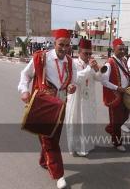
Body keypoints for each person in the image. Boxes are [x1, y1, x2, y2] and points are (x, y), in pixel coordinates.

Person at [18, 29, 77, 189]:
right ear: (54, 42)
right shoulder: (41, 57)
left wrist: (72, 86)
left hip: (60, 107)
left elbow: (74, 81)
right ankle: (58, 175)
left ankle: (44, 161)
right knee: (50, 141)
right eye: (61, 44)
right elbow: (25, 75)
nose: (64, 48)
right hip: (43, 107)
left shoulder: (71, 62)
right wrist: (24, 91)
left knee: (53, 138)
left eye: (67, 45)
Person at [65, 38, 102, 157]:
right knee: (76, 122)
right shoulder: (73, 63)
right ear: (79, 52)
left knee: (88, 121)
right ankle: (75, 147)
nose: (88, 55)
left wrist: (98, 70)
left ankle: (87, 146)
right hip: (77, 99)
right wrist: (89, 68)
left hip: (88, 99)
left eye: (90, 53)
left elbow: (99, 79)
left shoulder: (90, 64)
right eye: (86, 53)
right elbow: (77, 78)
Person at [101, 38, 130, 152]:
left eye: (124, 49)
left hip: (125, 95)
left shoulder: (123, 61)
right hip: (115, 96)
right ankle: (117, 143)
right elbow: (104, 81)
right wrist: (118, 88)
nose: (123, 51)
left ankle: (111, 128)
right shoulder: (109, 63)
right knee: (117, 120)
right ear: (114, 49)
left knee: (125, 116)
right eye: (120, 49)